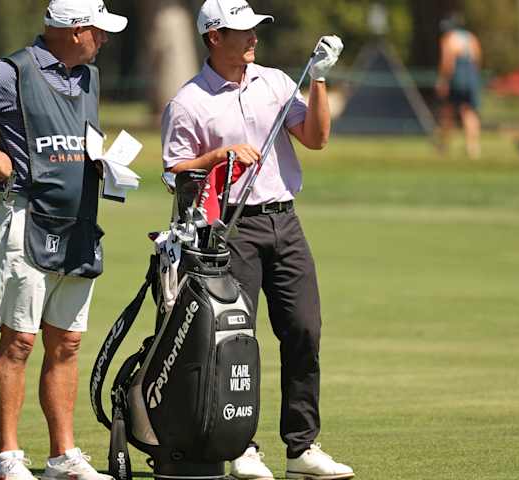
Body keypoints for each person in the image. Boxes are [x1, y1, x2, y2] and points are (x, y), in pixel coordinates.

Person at [0, 1, 127, 479]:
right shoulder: (11, 72)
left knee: (68, 342)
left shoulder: (88, 76)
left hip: (79, 220)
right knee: (19, 340)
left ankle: (63, 457)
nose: (104, 39)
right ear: (75, 31)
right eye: (98, 31)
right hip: (27, 216)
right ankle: (9, 458)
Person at [161, 1, 354, 479]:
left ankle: (302, 447)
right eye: (242, 30)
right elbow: (172, 172)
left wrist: (320, 78)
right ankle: (240, 446)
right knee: (234, 340)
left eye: (254, 29)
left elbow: (315, 137)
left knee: (305, 330)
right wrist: (219, 156)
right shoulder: (189, 101)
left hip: (284, 222)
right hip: (230, 229)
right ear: (213, 37)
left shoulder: (275, 82)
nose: (253, 37)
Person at [435, 14, 482, 159]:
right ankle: (472, 147)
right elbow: (478, 58)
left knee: (448, 111)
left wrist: (443, 80)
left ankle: (443, 145)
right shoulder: (471, 38)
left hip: (457, 77)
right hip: (471, 77)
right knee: (469, 112)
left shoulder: (449, 38)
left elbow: (447, 61)